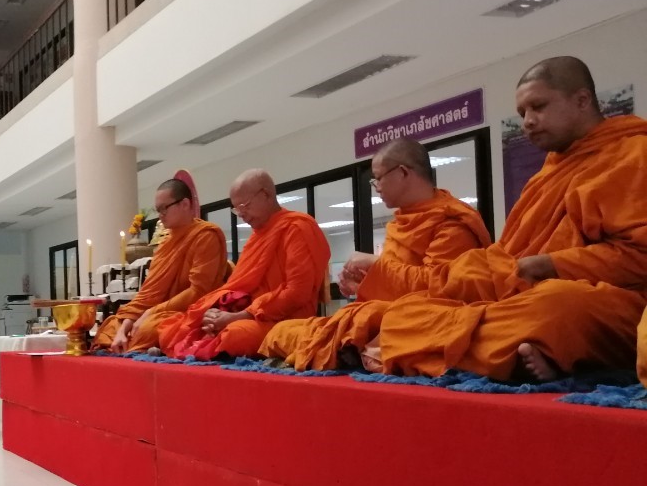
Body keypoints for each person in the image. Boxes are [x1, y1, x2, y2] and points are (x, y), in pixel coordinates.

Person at [369, 57, 647, 379]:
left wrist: (554, 264)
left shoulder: (633, 154)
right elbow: (509, 255)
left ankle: (519, 350)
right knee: (408, 313)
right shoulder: (547, 173)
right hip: (522, 292)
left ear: (582, 100)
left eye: (538, 107)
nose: (528, 121)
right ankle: (528, 353)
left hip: (608, 301)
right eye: (522, 112)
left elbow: (639, 258)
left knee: (556, 305)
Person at [260, 138, 490, 370]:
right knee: (282, 331)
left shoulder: (452, 222)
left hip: (423, 318)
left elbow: (441, 287)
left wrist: (376, 265)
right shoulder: (401, 221)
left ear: (402, 172)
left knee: (365, 318)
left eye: (378, 178)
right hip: (391, 313)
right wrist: (363, 285)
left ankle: (347, 350)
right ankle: (348, 349)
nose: (376, 186)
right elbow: (395, 284)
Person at [158, 169, 330, 360]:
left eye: (244, 206)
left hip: (285, 320)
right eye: (236, 209)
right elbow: (238, 287)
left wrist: (239, 316)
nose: (241, 214)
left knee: (234, 335)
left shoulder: (297, 227)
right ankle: (199, 342)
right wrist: (217, 312)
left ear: (266, 194)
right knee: (171, 327)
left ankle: (199, 346)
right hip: (244, 313)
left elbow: (297, 293)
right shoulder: (257, 237)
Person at [92, 176, 228, 353]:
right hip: (159, 312)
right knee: (111, 326)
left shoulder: (205, 236)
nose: (161, 215)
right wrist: (126, 325)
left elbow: (199, 291)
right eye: (158, 210)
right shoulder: (165, 245)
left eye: (165, 208)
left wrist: (152, 312)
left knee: (149, 329)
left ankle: (140, 345)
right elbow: (148, 294)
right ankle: (134, 343)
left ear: (185, 204)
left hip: (190, 312)